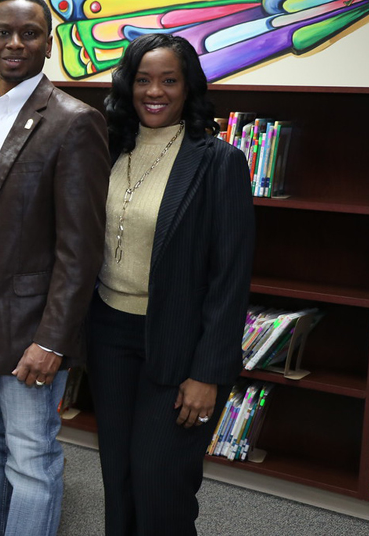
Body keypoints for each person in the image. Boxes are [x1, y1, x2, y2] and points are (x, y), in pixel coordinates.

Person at [0, 0, 109, 535]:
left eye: (29, 33)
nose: (15, 43)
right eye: (3, 32)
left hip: (32, 325)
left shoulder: (73, 121)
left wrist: (52, 340)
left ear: (48, 42)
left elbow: (80, 248)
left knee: (32, 458)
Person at [87, 33, 255, 535]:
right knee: (118, 479)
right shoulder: (110, 149)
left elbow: (231, 277)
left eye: (168, 80)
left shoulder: (217, 161)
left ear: (188, 88)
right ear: (127, 86)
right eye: (142, 80)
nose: (153, 91)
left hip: (180, 346)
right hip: (109, 337)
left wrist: (207, 372)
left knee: (161, 483)